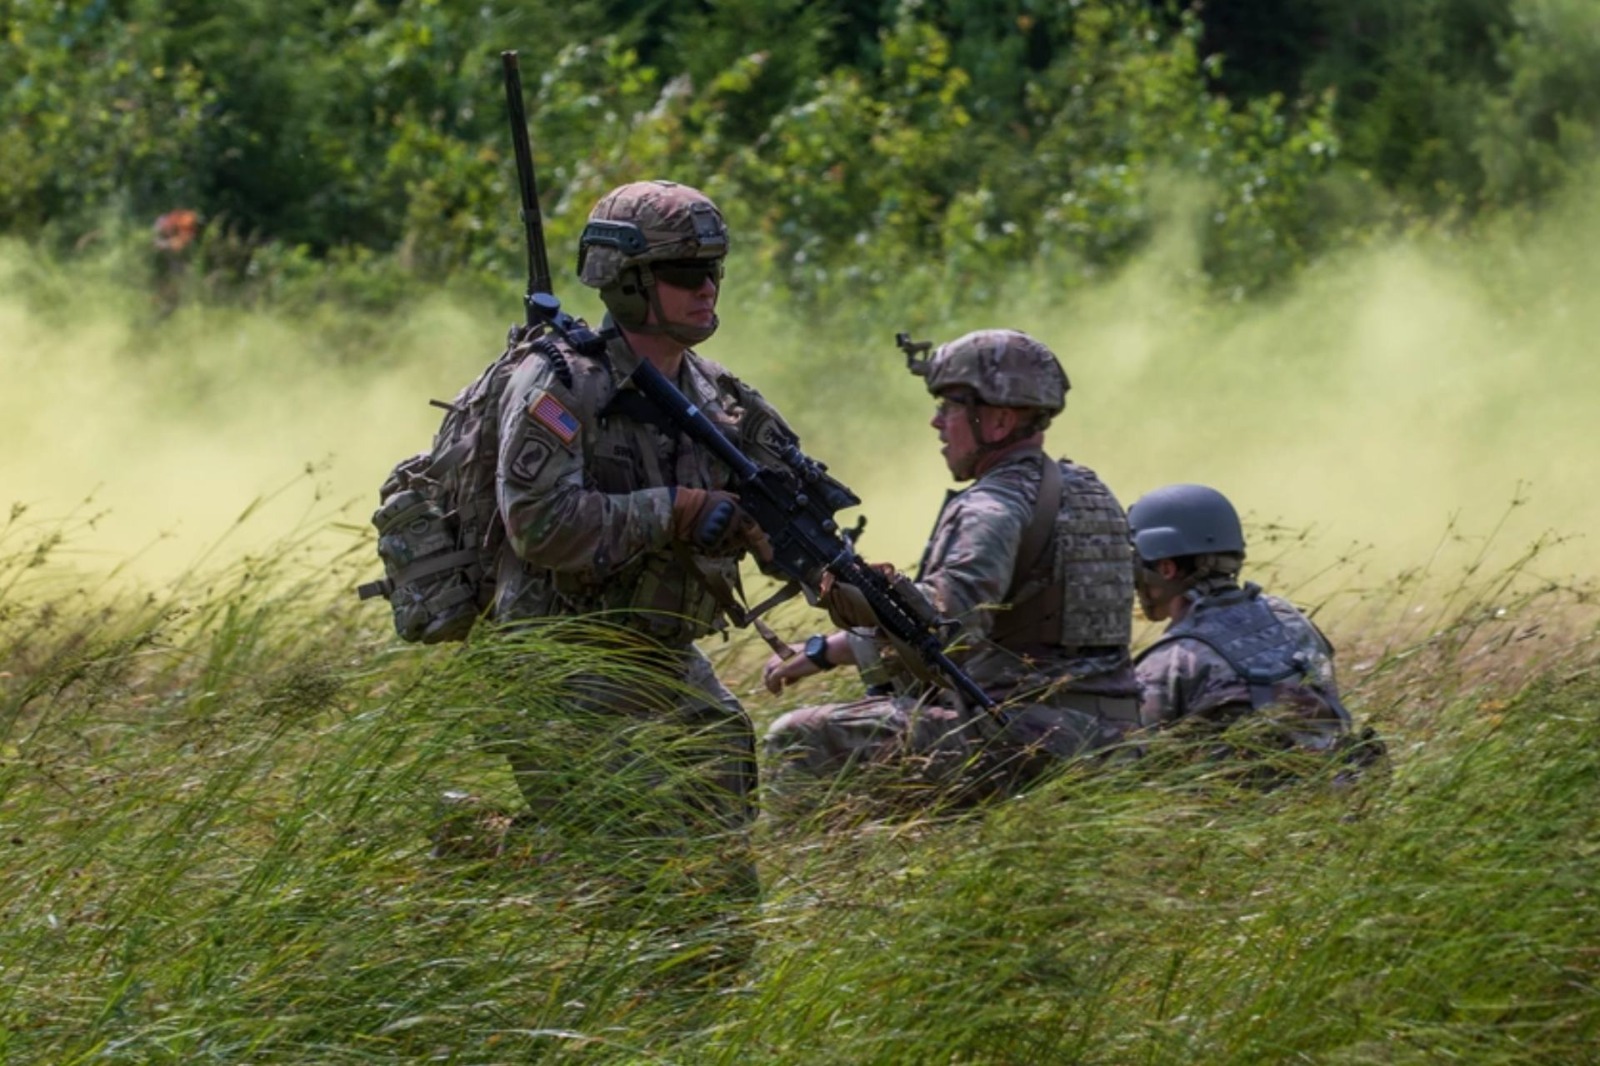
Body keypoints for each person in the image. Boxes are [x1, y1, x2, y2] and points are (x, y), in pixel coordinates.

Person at [486, 180, 796, 936]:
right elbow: (538, 523)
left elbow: (789, 508)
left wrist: (837, 578)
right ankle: (492, 853)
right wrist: (678, 510)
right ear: (627, 283)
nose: (708, 287)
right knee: (633, 873)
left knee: (719, 868)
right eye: (687, 272)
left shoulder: (721, 396)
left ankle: (710, 987)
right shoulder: (562, 383)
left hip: (662, 655)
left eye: (714, 269)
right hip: (564, 656)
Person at [761, 328, 1141, 802]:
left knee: (797, 738)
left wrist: (843, 600)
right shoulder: (1092, 492)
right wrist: (832, 649)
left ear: (998, 421)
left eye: (950, 406)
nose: (936, 422)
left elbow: (947, 631)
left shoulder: (991, 508)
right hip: (1115, 743)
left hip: (1032, 743)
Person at [1128, 483, 1355, 752]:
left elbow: (1135, 756)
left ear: (1166, 568)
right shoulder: (1289, 618)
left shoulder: (1170, 660)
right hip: (1333, 774)